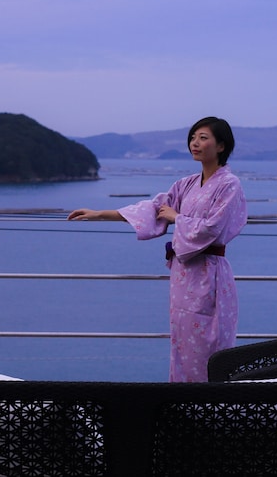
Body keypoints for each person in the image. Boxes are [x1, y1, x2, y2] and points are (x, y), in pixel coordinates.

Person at [68, 116, 247, 382]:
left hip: (210, 275)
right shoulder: (186, 184)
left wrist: (177, 218)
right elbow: (153, 208)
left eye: (203, 138)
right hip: (183, 276)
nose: (194, 143)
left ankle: (209, 407)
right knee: (183, 342)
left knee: (209, 341)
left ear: (221, 146)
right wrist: (99, 214)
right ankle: (183, 406)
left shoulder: (229, 184)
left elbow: (212, 228)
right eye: (193, 137)